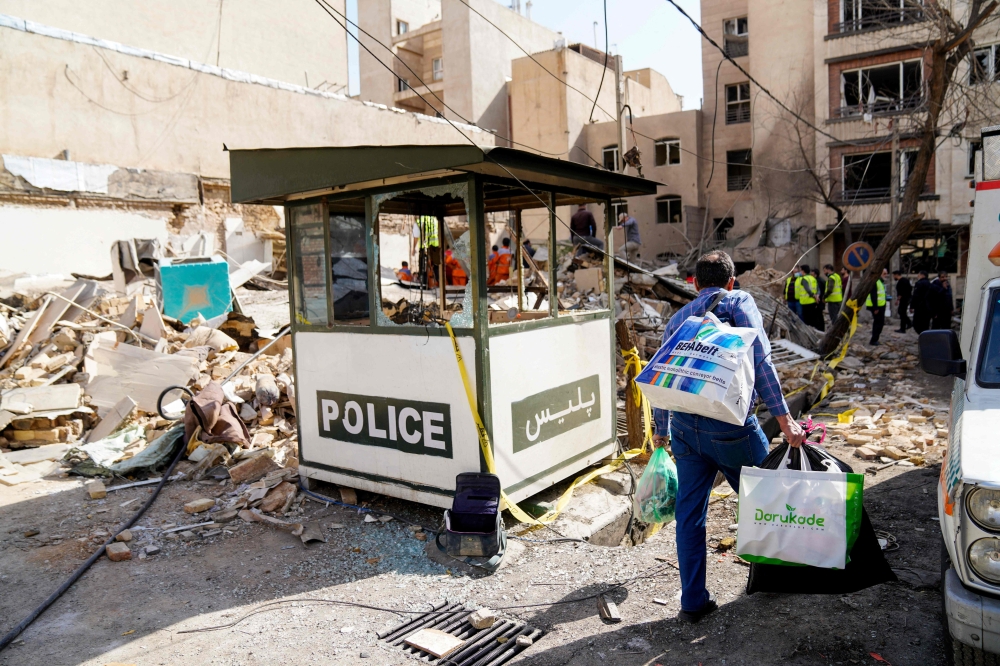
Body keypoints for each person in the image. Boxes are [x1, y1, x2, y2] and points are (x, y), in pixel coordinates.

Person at [652, 250, 805, 623]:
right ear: (731, 280)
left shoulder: (679, 318)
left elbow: (662, 373)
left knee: (690, 514)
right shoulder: (738, 301)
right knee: (766, 502)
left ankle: (692, 602)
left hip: (685, 428)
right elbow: (762, 361)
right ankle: (771, 579)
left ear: (694, 284)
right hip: (732, 428)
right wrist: (785, 421)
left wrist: (660, 431)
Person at [796, 264, 823, 330]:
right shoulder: (813, 278)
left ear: (803, 271)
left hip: (806, 302)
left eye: (801, 270)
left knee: (807, 320)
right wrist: (817, 296)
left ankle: (809, 333)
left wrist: (813, 295)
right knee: (813, 319)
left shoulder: (804, 279)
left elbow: (807, 289)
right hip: (813, 302)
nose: (800, 272)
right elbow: (818, 289)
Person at [866, 273, 887, 345]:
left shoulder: (880, 282)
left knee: (880, 323)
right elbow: (873, 295)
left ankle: (875, 339)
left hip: (881, 305)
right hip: (876, 306)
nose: (886, 275)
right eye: (884, 273)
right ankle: (874, 340)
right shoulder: (875, 282)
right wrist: (875, 307)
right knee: (878, 323)